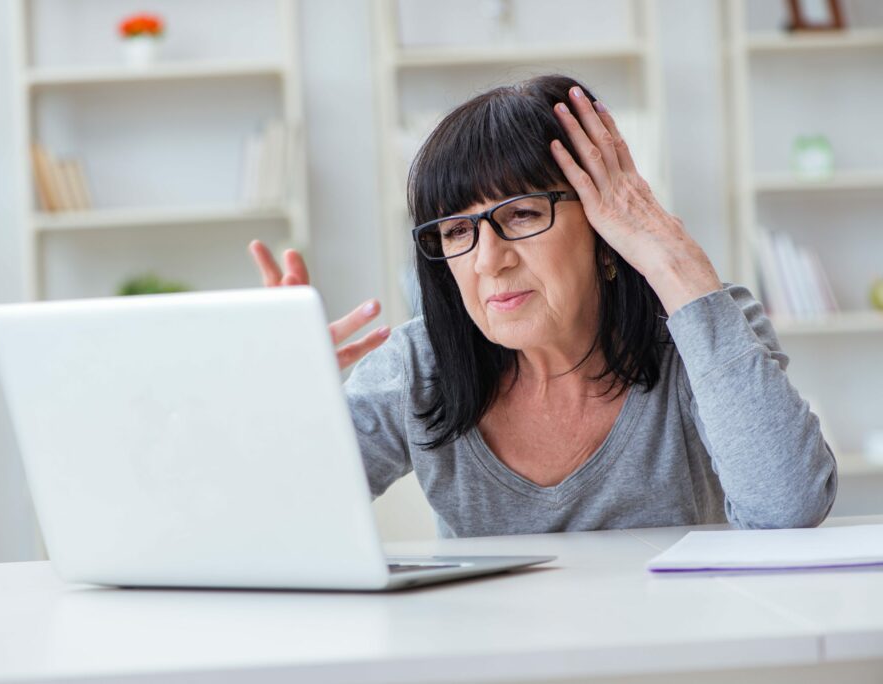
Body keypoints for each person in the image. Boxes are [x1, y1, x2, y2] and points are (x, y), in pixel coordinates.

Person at [249, 73, 837, 536]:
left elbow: (788, 508)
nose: (488, 260)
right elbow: (277, 520)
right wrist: (281, 405)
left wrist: (675, 264)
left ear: (607, 229)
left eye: (523, 214)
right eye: (457, 231)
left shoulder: (704, 325)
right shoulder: (417, 366)